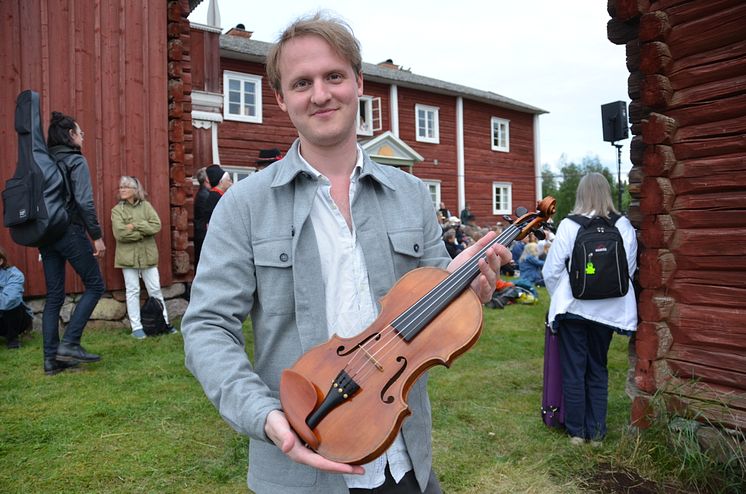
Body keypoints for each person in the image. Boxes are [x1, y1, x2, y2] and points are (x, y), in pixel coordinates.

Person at [181, 13, 509, 494]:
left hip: (404, 461)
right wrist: (266, 415)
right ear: (280, 98)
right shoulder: (244, 207)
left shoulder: (412, 194)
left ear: (358, 83)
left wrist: (468, 288)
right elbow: (207, 327)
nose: (320, 94)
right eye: (301, 82)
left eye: (334, 76)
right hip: (297, 467)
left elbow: (430, 305)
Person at [542, 173, 638, 446]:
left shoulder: (569, 226)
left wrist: (559, 298)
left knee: (574, 369)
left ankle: (576, 433)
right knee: (598, 368)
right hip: (608, 312)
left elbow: (552, 270)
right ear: (607, 193)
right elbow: (627, 270)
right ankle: (596, 433)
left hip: (574, 308)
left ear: (581, 194)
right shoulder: (624, 226)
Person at [40, 111, 105, 375]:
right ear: (70, 135)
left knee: (54, 296)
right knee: (96, 284)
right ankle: (70, 343)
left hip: (45, 234)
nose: (83, 135)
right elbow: (84, 202)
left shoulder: (43, 160)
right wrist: (97, 236)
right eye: (80, 132)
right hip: (69, 230)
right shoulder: (76, 161)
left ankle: (50, 360)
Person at [111, 176, 176, 339]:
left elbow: (156, 226)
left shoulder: (146, 206)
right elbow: (120, 234)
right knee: (132, 291)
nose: (122, 190)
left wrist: (135, 226)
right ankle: (136, 327)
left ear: (135, 190)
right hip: (128, 257)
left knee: (155, 290)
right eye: (121, 187)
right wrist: (142, 233)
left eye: (126, 187)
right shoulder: (117, 210)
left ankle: (164, 323)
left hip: (148, 256)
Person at [0, 246, 33, 349]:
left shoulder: (14, 274)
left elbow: (8, 300)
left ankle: (12, 339)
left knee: (12, 303)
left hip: (17, 319)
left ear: (1, 261)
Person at [193, 167, 210, 268]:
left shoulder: (203, 193)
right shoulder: (205, 195)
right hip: (203, 234)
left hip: (201, 233)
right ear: (207, 179)